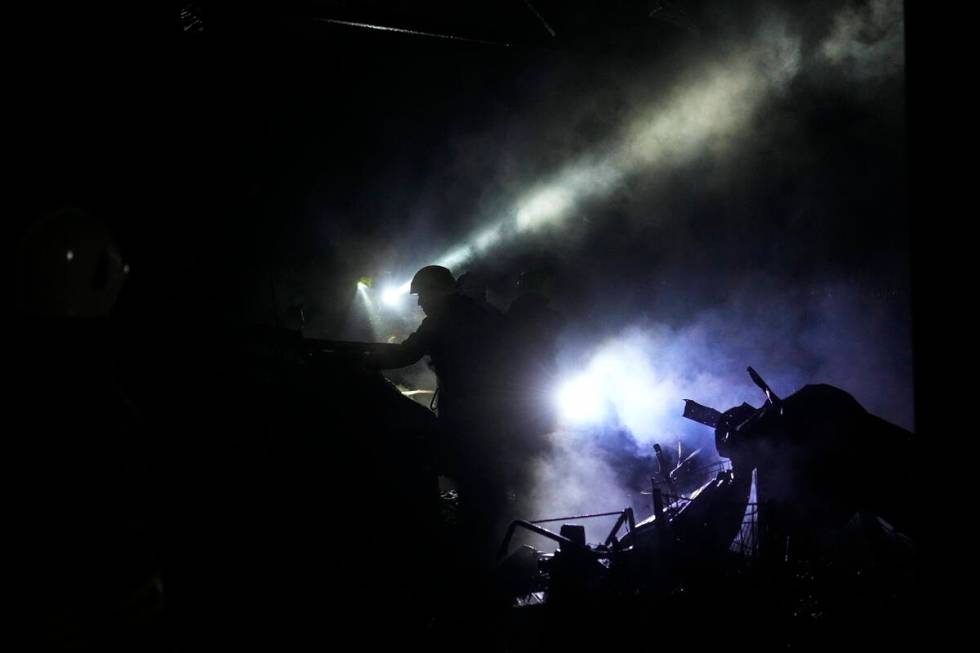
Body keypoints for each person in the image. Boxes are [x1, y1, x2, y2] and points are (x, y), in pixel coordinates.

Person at [366, 265, 515, 565]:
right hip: (497, 412)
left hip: (465, 413)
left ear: (437, 292)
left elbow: (406, 353)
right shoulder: (482, 314)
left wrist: (365, 362)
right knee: (488, 483)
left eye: (422, 296)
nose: (420, 303)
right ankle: (495, 548)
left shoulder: (441, 319)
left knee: (464, 480)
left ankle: (470, 559)